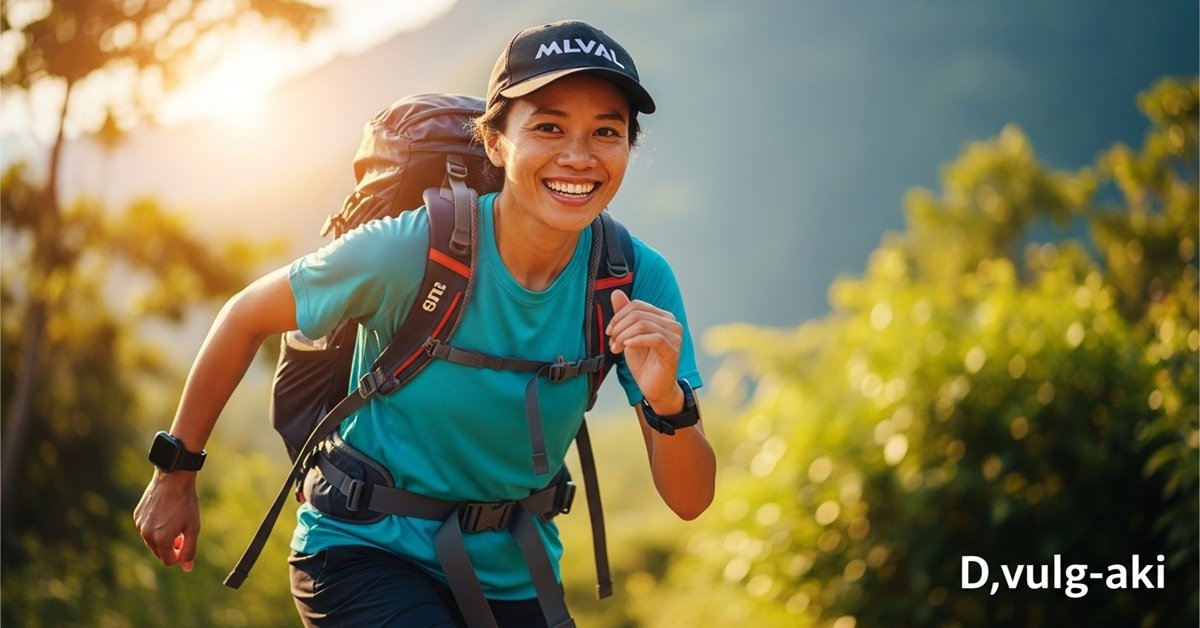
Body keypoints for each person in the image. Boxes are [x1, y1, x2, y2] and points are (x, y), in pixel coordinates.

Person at [134, 19, 715, 627]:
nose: (579, 155)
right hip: (363, 547)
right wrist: (176, 472)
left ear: (628, 148)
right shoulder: (417, 250)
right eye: (548, 127)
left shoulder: (633, 279)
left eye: (606, 132)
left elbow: (691, 500)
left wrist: (667, 400)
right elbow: (245, 314)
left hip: (514, 566)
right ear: (495, 142)